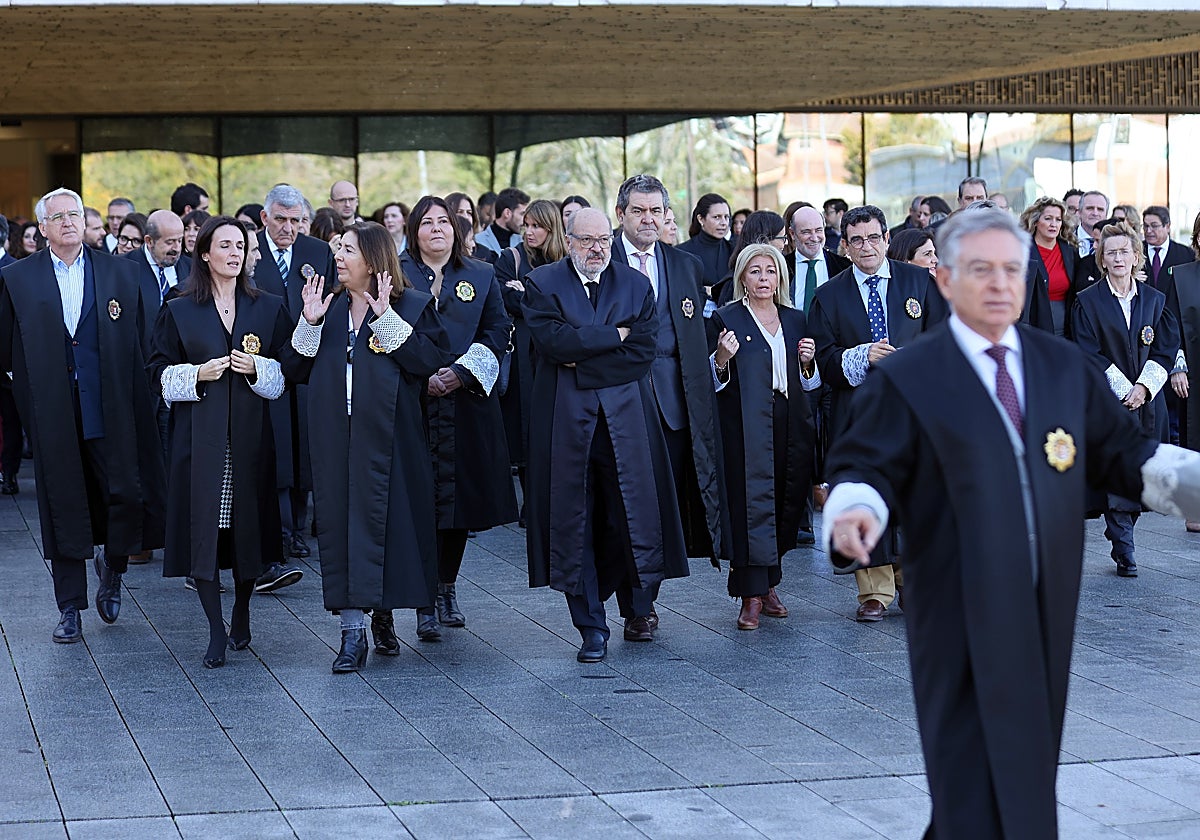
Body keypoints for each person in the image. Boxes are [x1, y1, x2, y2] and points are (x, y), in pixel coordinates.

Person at [822, 207, 1200, 839]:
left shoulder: (1059, 368)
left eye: (1011, 270)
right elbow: (865, 465)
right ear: (944, 279)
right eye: (980, 270)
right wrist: (854, 511)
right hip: (955, 605)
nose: (999, 284)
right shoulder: (911, 377)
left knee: (1021, 770)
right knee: (971, 772)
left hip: (1044, 603)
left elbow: (1125, 457)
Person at [522, 207, 687, 663]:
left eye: (603, 240)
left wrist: (586, 351)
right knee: (574, 524)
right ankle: (591, 626)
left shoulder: (635, 285)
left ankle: (632, 605)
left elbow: (641, 353)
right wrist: (613, 334)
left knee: (626, 517)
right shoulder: (543, 284)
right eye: (587, 240)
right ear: (569, 240)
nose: (597, 248)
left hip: (626, 423)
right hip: (565, 423)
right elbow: (553, 344)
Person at [0, 188, 165, 643]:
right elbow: (5, 345)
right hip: (53, 408)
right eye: (58, 216)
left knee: (125, 491)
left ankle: (112, 567)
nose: (69, 221)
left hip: (112, 403)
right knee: (62, 504)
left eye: (75, 214)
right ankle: (69, 606)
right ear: (43, 229)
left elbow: (143, 339)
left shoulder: (121, 272)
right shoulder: (19, 279)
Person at [289, 222, 453, 671]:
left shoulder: (412, 305)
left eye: (348, 251)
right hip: (335, 439)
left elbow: (427, 361)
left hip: (391, 440)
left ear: (374, 260)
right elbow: (295, 371)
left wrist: (385, 318)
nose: (338, 257)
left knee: (390, 528)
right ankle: (350, 633)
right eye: (338, 249)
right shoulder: (327, 307)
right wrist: (309, 321)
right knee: (341, 531)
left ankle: (381, 612)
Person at [149, 216, 298, 668]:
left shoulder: (268, 306)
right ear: (206, 253)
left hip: (250, 439)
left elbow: (289, 368)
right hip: (201, 442)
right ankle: (215, 629)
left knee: (248, 530)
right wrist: (197, 373)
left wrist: (258, 370)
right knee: (205, 533)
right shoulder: (178, 306)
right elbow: (155, 372)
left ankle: (241, 610)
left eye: (242, 246)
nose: (235, 253)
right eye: (226, 245)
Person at [808, 204, 948, 622]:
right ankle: (874, 591)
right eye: (856, 240)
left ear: (887, 239)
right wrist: (861, 355)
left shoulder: (920, 281)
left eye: (873, 237)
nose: (866, 246)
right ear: (845, 247)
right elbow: (823, 362)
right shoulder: (828, 296)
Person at [612, 175, 729, 631]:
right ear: (620, 214)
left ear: (666, 215)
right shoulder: (603, 258)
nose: (648, 219)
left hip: (675, 402)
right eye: (638, 211)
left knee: (662, 504)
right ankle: (628, 593)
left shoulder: (684, 264)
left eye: (655, 211)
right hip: (618, 395)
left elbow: (693, 334)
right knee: (623, 499)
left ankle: (643, 604)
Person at [397, 195, 516, 636]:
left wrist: (462, 374)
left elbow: (498, 330)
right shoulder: (396, 273)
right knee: (419, 500)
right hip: (413, 402)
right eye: (426, 223)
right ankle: (423, 598)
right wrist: (422, 372)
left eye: (444, 222)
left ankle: (447, 588)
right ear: (414, 231)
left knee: (458, 502)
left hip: (466, 403)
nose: (436, 230)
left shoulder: (481, 274)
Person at [711, 244, 819, 629]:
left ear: (780, 277)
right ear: (742, 276)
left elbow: (810, 382)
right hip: (745, 425)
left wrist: (807, 363)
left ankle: (770, 582)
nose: (763, 279)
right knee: (748, 504)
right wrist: (721, 357)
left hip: (788, 420)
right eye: (755, 272)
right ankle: (750, 595)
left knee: (783, 500)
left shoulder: (794, 319)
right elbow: (715, 381)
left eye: (770, 272)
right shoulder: (727, 318)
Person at [1073, 221, 1178, 577]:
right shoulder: (1087, 302)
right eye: (1111, 252)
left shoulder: (1155, 300)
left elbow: (1165, 348)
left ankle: (1123, 527)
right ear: (1101, 259)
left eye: (1124, 251)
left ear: (1136, 257)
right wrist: (1123, 389)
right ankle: (1124, 544)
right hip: (1109, 403)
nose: (1118, 258)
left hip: (1149, 402)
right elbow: (1089, 352)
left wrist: (1144, 388)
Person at [252, 184, 336, 588]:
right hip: (265, 360)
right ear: (265, 218)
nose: (288, 228)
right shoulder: (250, 252)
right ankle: (281, 531)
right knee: (276, 446)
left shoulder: (317, 252)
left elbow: (331, 301)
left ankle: (298, 529)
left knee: (305, 444)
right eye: (280, 220)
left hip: (308, 360)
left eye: (295, 220)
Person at [494, 199, 566, 524]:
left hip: (555, 353)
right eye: (527, 224)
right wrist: (537, 298)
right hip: (522, 354)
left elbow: (565, 303)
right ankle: (531, 505)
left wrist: (528, 293)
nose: (530, 231)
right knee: (525, 430)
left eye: (538, 226)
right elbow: (505, 299)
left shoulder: (565, 261)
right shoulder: (511, 257)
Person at [1019, 196, 1078, 337]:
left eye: (1058, 220)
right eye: (1048, 218)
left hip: (1068, 328)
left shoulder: (1070, 251)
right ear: (1035, 221)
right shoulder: (1022, 251)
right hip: (1034, 328)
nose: (1053, 224)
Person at [710, 210, 787, 307]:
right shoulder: (731, 286)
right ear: (766, 238)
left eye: (771, 272)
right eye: (782, 238)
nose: (785, 243)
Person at [676, 193, 732, 289]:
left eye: (726, 217)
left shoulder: (734, 251)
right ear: (701, 219)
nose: (723, 223)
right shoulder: (681, 253)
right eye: (717, 217)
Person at [1142, 205, 1192, 290]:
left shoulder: (1186, 254)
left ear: (1167, 226)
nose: (1148, 231)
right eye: (1146, 226)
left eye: (1154, 226)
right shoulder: (1135, 251)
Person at [475, 187, 529, 255]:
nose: (525, 220)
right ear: (507, 213)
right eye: (522, 214)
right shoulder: (477, 241)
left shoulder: (523, 243)